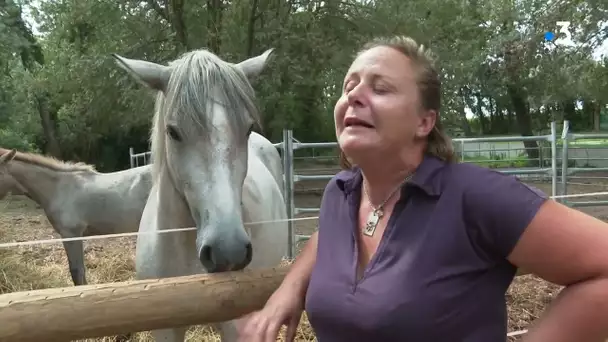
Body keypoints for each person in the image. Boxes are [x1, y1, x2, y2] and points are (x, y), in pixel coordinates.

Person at [238, 35, 608, 341]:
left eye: (379, 88)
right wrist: (288, 290)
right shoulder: (341, 193)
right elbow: (328, 238)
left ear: (424, 122)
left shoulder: (474, 197)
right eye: (349, 86)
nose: (354, 95)